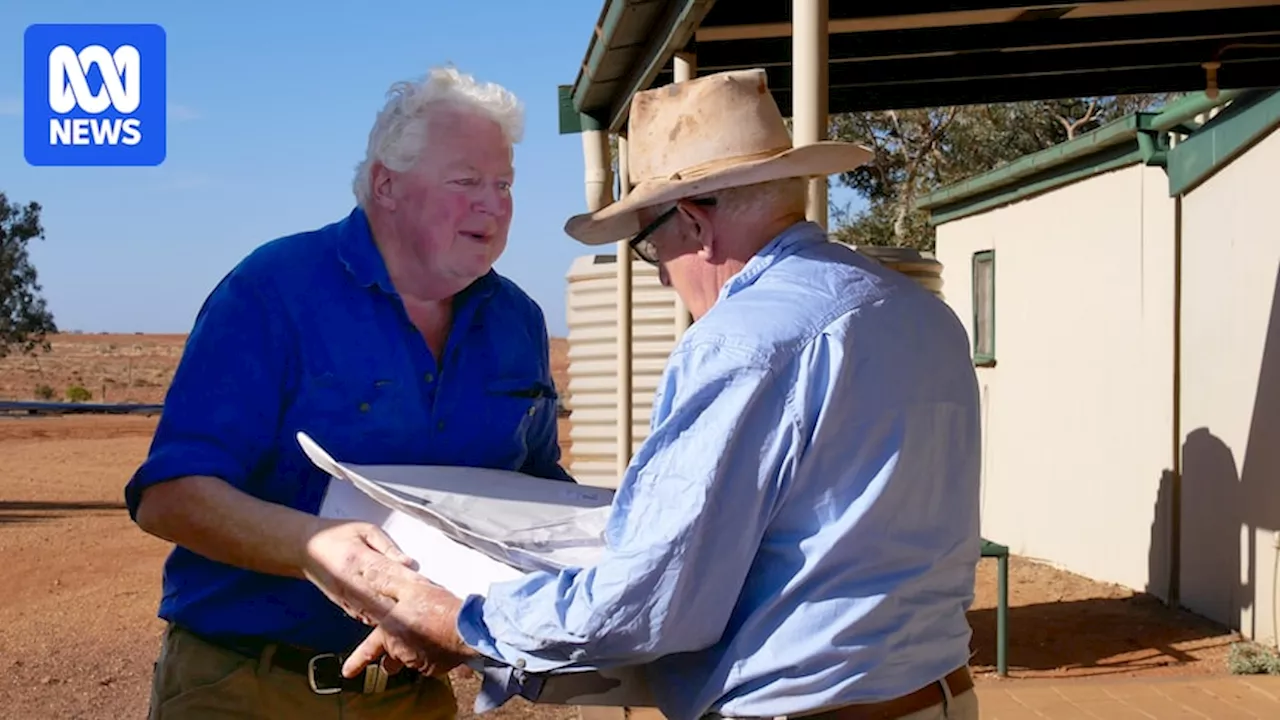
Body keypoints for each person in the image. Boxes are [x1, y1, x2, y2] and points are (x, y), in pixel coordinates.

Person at [337, 68, 983, 720]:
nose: (666, 281)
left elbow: (648, 601)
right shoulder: (919, 314)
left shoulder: (743, 341)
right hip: (940, 694)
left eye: (649, 247)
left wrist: (462, 621)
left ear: (695, 225)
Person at [124, 65, 573, 720]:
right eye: (466, 181)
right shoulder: (273, 292)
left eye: (504, 184)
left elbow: (530, 498)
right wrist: (314, 547)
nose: (494, 204)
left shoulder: (517, 323)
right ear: (388, 186)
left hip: (413, 696)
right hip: (247, 689)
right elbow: (169, 497)